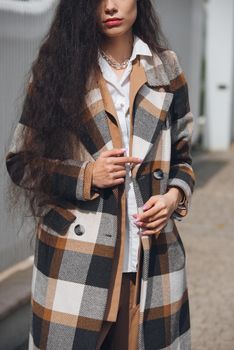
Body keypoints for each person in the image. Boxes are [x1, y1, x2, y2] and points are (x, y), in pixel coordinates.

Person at [5, 0, 196, 349]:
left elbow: (183, 158)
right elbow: (21, 163)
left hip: (152, 258)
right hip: (77, 261)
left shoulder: (166, 67)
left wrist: (172, 198)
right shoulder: (57, 69)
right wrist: (87, 175)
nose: (110, 6)